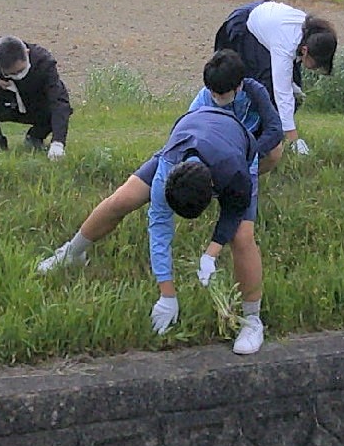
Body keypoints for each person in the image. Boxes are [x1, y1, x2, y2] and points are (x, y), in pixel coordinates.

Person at [36, 99, 268, 355]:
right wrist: (167, 293)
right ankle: (72, 253)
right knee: (124, 198)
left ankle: (252, 321)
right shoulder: (168, 167)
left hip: (237, 144)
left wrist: (211, 253)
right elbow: (159, 227)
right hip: (187, 138)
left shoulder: (235, 173)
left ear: (215, 191)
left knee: (242, 236)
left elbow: (233, 211)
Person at [213, 0, 336, 156]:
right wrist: (295, 140)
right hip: (245, 26)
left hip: (266, 23)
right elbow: (282, 92)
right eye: (316, 63)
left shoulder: (310, 35)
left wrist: (293, 86)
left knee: (293, 86)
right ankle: (253, 140)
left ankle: (272, 134)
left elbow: (288, 77)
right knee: (263, 87)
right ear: (305, 51)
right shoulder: (286, 43)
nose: (316, 68)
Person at [0, 36, 72, 159]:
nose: (17, 75)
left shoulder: (45, 63)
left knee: (62, 106)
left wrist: (58, 143)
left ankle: (35, 136)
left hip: (36, 107)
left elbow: (59, 102)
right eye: (12, 73)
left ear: (27, 53)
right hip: (9, 105)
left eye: (20, 71)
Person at [188, 48, 284, 174]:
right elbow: (188, 131)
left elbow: (275, 128)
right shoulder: (203, 99)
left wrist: (251, 152)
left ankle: (247, 176)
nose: (215, 97)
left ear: (238, 87)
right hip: (215, 145)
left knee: (275, 150)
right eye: (212, 92)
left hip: (247, 145)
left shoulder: (255, 92)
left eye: (222, 94)